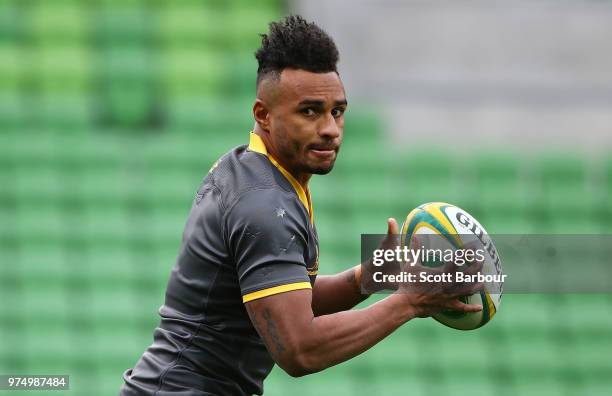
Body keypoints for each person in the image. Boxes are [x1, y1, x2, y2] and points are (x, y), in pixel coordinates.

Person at [120, 15, 482, 396]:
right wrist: (408, 303)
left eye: (337, 111)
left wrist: (368, 277)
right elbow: (300, 350)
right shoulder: (263, 204)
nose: (329, 128)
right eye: (309, 111)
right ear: (263, 115)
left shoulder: (256, 171)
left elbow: (288, 299)